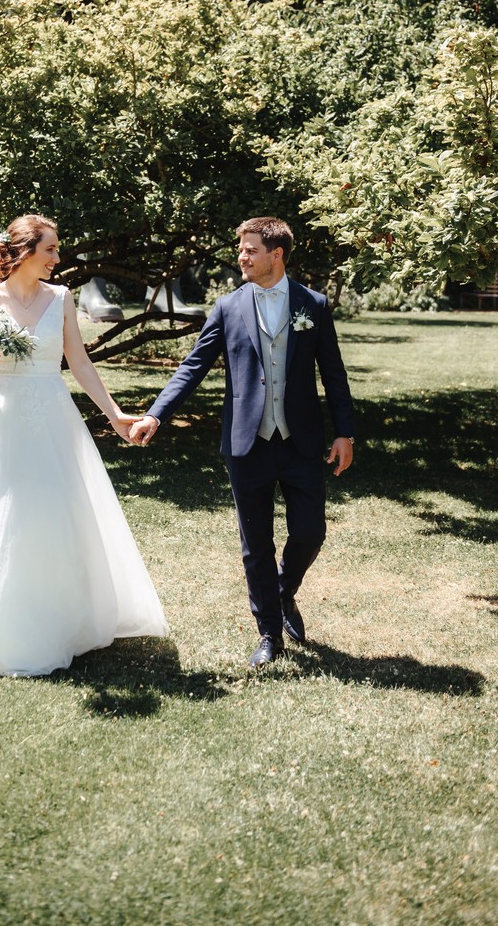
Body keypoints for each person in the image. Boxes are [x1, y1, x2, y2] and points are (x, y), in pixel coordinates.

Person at [0, 215, 168, 676]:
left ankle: (60, 618)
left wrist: (114, 414)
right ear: (24, 252)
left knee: (52, 513)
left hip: (51, 418)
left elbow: (78, 362)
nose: (57, 258)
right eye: (51, 249)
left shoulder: (61, 298)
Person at [130, 217, 354, 668]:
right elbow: (193, 366)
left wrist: (344, 432)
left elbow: (333, 372)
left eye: (251, 250)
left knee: (310, 532)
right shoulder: (228, 307)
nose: (242, 257)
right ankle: (269, 633)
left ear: (277, 254)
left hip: (301, 440)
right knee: (256, 545)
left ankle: (283, 591)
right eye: (241, 249)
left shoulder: (312, 304)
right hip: (247, 443)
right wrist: (157, 413)